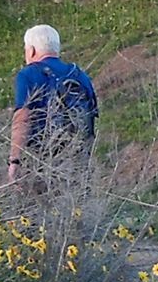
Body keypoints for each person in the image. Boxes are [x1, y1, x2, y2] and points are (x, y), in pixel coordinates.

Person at [8, 24, 97, 190]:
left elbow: (23, 117)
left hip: (41, 160)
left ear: (32, 51)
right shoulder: (79, 75)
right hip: (77, 159)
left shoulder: (28, 74)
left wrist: (15, 160)